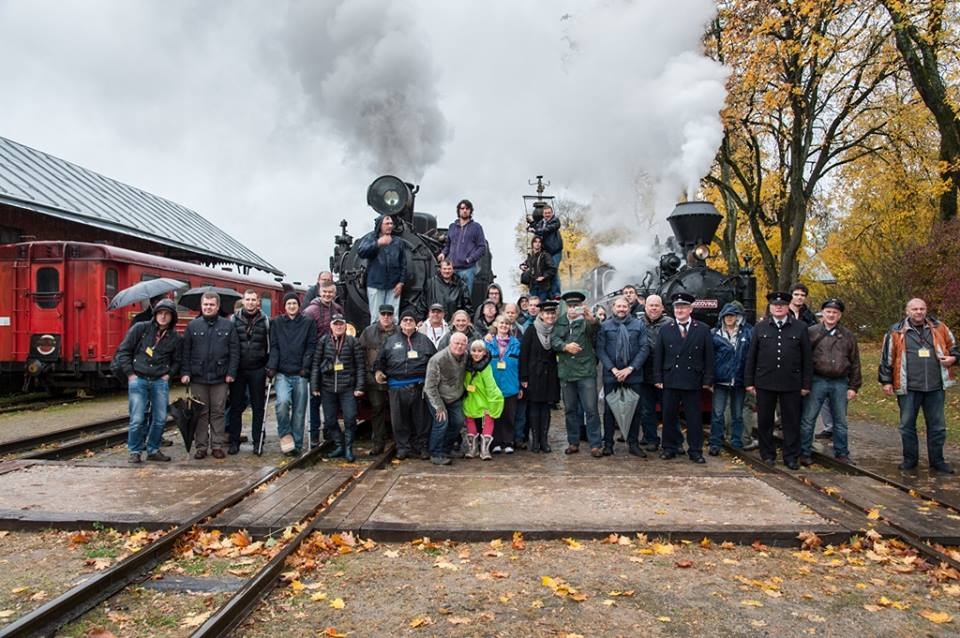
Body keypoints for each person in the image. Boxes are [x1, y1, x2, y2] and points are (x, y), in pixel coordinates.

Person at [878, 298, 958, 473]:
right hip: (908, 387)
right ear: (907, 312)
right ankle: (910, 460)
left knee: (937, 426)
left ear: (926, 310)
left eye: (922, 308)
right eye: (914, 309)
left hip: (935, 387)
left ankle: (937, 461)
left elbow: (954, 348)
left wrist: (953, 358)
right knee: (907, 426)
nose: (919, 312)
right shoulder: (895, 331)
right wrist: (886, 381)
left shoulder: (940, 327)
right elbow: (887, 358)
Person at [745, 291, 813, 469]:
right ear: (770, 307)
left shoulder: (800, 327)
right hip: (765, 381)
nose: (778, 307)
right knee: (765, 421)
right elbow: (751, 356)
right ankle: (767, 454)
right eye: (775, 305)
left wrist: (806, 384)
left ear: (788, 306)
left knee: (791, 422)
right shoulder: (760, 328)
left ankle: (791, 456)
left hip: (791, 382)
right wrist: (749, 382)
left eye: (782, 305)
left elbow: (807, 358)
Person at [114, 298, 181, 463]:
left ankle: (153, 450)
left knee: (160, 419)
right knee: (137, 418)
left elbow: (178, 360)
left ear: (172, 317)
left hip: (160, 381)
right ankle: (135, 451)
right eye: (160, 313)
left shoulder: (175, 337)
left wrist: (169, 375)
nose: (163, 316)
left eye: (167, 314)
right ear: (155, 314)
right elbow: (124, 351)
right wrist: (130, 374)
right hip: (139, 379)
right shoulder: (140, 329)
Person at [799, 298, 861, 465]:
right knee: (808, 418)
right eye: (828, 312)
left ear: (839, 315)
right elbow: (802, 358)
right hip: (817, 379)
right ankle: (804, 452)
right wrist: (804, 382)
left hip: (840, 381)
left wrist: (853, 386)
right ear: (822, 313)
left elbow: (855, 361)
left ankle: (842, 452)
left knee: (840, 421)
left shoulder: (848, 335)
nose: (831, 315)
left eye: (835, 312)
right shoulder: (811, 332)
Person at [655, 292, 714, 463]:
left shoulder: (702, 329)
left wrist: (708, 379)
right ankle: (669, 447)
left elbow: (708, 356)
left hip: (692, 379)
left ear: (690, 309)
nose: (680, 310)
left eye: (683, 307)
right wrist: (658, 378)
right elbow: (659, 355)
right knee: (668, 416)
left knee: (694, 418)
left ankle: (695, 450)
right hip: (671, 379)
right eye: (677, 307)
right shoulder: (665, 329)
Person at [180, 292, 240, 460]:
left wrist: (231, 372)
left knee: (218, 412)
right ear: (201, 305)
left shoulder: (228, 326)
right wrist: (185, 372)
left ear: (217, 306)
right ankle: (201, 447)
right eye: (205, 304)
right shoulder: (193, 326)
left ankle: (217, 446)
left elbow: (234, 351)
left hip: (220, 377)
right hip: (198, 377)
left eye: (211, 304)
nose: (208, 307)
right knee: (200, 413)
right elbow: (186, 352)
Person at [376, 309, 436, 460]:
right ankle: (402, 447)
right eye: (405, 320)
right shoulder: (390, 341)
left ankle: (421, 446)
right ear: (400, 323)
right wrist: (378, 371)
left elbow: (434, 361)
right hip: (396, 386)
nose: (408, 322)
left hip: (419, 386)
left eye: (411, 320)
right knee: (399, 420)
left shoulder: (424, 340)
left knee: (421, 419)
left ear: (416, 323)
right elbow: (380, 360)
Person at [596, 296, 649, 456]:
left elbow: (644, 348)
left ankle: (633, 444)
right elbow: (600, 349)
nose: (621, 309)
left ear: (629, 308)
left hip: (633, 375)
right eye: (618, 306)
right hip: (611, 375)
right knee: (609, 411)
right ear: (613, 308)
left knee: (635, 410)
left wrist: (630, 369)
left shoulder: (639, 325)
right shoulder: (605, 326)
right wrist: (613, 369)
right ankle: (608, 444)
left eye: (624, 306)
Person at [552, 291, 603, 457]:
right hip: (567, 372)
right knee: (570, 410)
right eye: (571, 305)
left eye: (576, 305)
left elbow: (596, 329)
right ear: (566, 307)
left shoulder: (587, 321)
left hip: (586, 372)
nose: (573, 308)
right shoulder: (560, 322)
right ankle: (573, 442)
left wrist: (591, 319)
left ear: (581, 306)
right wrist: (565, 346)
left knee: (591, 409)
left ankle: (596, 444)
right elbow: (554, 340)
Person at [266, 292, 316, 456]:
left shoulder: (308, 322)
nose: (292, 306)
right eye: (289, 304)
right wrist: (272, 366)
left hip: (300, 373)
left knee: (299, 411)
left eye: (294, 303)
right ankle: (285, 435)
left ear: (298, 305)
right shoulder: (277, 323)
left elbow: (311, 346)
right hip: (282, 372)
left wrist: (306, 366)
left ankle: (297, 443)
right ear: (285, 306)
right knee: (282, 403)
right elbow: (274, 346)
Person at [311, 314, 365, 462]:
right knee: (329, 420)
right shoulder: (323, 341)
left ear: (345, 326)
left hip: (347, 386)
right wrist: (315, 385)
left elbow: (360, 366)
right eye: (336, 324)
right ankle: (339, 444)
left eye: (341, 324)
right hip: (327, 387)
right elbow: (316, 364)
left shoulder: (353, 342)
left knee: (350, 418)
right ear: (331, 326)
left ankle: (348, 448)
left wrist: (359, 386)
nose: (339, 326)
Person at [228, 290, 270, 455]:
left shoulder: (265, 320)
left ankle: (258, 442)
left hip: (258, 369)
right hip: (238, 369)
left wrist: (268, 366)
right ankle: (234, 441)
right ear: (243, 301)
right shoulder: (233, 320)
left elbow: (269, 344)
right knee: (236, 407)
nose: (251, 302)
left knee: (258, 407)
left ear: (258, 302)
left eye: (253, 300)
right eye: (248, 299)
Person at [303, 282, 344, 448]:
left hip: (334, 357)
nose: (328, 295)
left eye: (330, 292)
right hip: (317, 357)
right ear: (320, 292)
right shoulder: (310, 311)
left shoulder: (338, 309)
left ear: (334, 294)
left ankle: (329, 429)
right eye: (325, 292)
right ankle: (314, 433)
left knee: (332, 396)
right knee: (315, 397)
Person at [708, 302, 752, 456]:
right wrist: (710, 379)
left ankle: (736, 442)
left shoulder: (747, 333)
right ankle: (715, 442)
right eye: (726, 316)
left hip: (739, 379)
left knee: (737, 414)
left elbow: (750, 357)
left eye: (732, 315)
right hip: (720, 379)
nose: (729, 318)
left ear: (737, 317)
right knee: (718, 413)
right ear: (722, 317)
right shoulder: (714, 334)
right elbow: (710, 358)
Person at [520, 299, 561, 452]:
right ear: (541, 315)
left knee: (546, 408)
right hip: (534, 375)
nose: (550, 316)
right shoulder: (531, 330)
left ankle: (544, 440)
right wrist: (524, 377)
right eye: (547, 313)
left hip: (550, 375)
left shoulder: (557, 331)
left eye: (552, 313)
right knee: (534, 407)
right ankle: (535, 440)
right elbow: (524, 355)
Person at [423, 332, 469, 465]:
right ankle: (435, 453)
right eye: (456, 343)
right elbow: (430, 387)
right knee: (441, 422)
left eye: (463, 344)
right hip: (437, 396)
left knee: (458, 422)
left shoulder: (465, 356)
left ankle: (446, 449)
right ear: (450, 343)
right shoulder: (437, 360)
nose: (459, 346)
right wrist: (439, 407)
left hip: (454, 396)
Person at [358, 304, 397, 455]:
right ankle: (378, 443)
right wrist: (366, 376)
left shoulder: (399, 331)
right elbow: (360, 355)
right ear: (379, 315)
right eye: (383, 314)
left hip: (395, 377)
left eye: (389, 314)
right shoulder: (368, 332)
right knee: (377, 409)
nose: (386, 317)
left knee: (398, 410)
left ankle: (400, 442)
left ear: (393, 316)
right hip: (373, 378)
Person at [356, 215, 406, 324]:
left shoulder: (398, 242)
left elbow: (403, 263)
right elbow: (361, 252)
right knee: (376, 317)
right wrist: (378, 243)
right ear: (380, 225)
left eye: (391, 224)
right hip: (375, 284)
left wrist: (401, 282)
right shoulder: (371, 238)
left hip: (394, 285)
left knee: (393, 318)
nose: (390, 226)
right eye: (387, 223)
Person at [638, 294, 672, 451]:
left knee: (669, 409)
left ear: (662, 308)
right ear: (645, 307)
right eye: (651, 305)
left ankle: (672, 441)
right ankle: (651, 438)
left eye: (656, 305)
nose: (653, 308)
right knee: (646, 410)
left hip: (665, 374)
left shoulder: (670, 324)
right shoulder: (637, 323)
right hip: (644, 373)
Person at [486, 315, 522, 453]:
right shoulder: (488, 343)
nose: (504, 326)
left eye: (507, 324)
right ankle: (495, 442)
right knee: (495, 415)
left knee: (509, 415)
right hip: (493, 385)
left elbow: (521, 365)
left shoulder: (516, 343)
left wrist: (520, 385)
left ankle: (508, 442)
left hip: (511, 384)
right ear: (496, 324)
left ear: (510, 326)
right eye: (501, 323)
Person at [439, 199, 487, 295]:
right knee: (449, 296)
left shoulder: (476, 227)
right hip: (452, 270)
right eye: (462, 208)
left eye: (467, 208)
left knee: (465, 297)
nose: (464, 210)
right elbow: (448, 245)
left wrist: (470, 259)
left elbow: (482, 247)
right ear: (458, 210)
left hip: (467, 270)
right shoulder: (452, 227)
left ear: (470, 211)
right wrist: (443, 253)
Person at [528, 204, 563, 298]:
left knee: (553, 269)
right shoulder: (540, 223)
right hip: (546, 252)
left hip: (555, 251)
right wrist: (531, 225)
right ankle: (548, 293)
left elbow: (546, 230)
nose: (547, 215)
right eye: (545, 213)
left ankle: (556, 293)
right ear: (543, 214)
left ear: (552, 213)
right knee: (543, 271)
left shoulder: (555, 221)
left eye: (549, 213)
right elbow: (536, 228)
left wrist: (535, 230)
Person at [520, 236, 556, 301]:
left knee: (541, 305)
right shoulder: (530, 257)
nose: (537, 243)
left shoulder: (545, 255)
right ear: (532, 244)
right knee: (533, 304)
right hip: (532, 286)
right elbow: (524, 264)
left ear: (541, 244)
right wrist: (522, 266)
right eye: (535, 242)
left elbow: (552, 268)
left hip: (543, 286)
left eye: (539, 242)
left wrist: (544, 276)